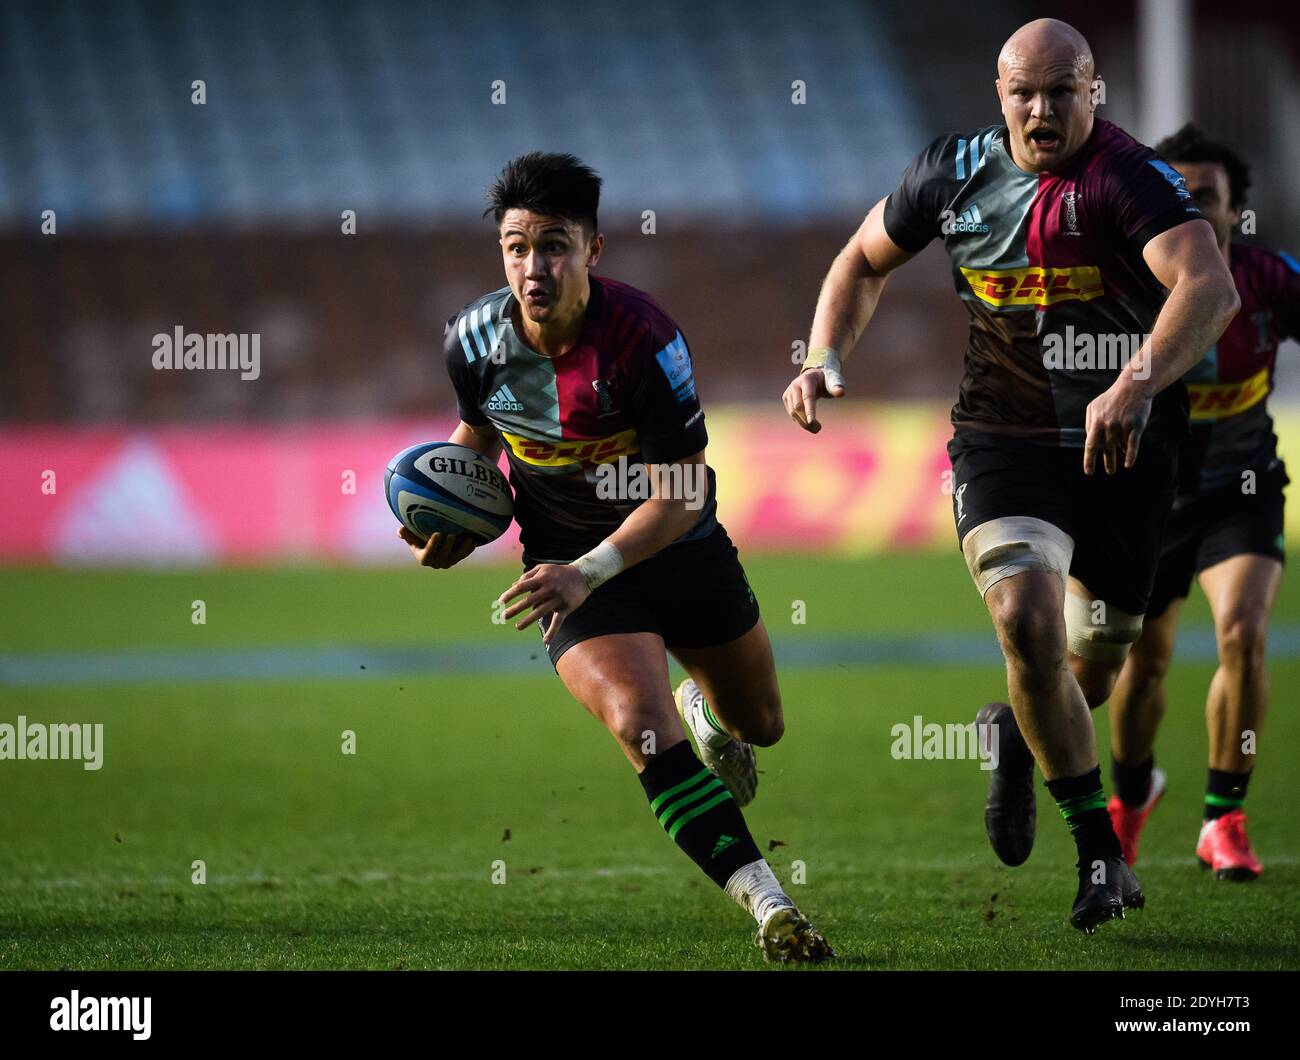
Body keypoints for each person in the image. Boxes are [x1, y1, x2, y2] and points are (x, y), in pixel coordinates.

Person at [782, 20, 1238, 932]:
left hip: (1127, 451)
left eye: (1061, 92)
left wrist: (1135, 381)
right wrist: (824, 355)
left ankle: (1020, 740)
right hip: (1004, 438)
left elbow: (1209, 288)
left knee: (1091, 668)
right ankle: (1101, 857)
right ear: (999, 95)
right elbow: (861, 260)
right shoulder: (950, 175)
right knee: (1024, 620)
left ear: (1093, 92)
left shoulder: (1126, 178)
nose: (1041, 110)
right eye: (1023, 93)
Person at [404, 151, 832, 962]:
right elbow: (479, 435)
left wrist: (592, 567)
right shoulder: (473, 341)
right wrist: (449, 511)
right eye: (518, 246)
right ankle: (771, 906)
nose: (535, 267)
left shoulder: (646, 340)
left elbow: (682, 494)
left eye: (555, 245)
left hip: (674, 548)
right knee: (640, 724)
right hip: (565, 564)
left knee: (762, 725)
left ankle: (709, 714)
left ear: (594, 250)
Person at [1108, 125, 1299, 880]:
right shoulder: (1125, 280)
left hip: (1240, 490)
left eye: (1210, 198)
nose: (1198, 210)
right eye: (1181, 195)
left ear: (1235, 209)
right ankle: (1130, 797)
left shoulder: (1271, 279)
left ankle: (1224, 817)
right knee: (1141, 665)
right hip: (1148, 497)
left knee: (1243, 631)